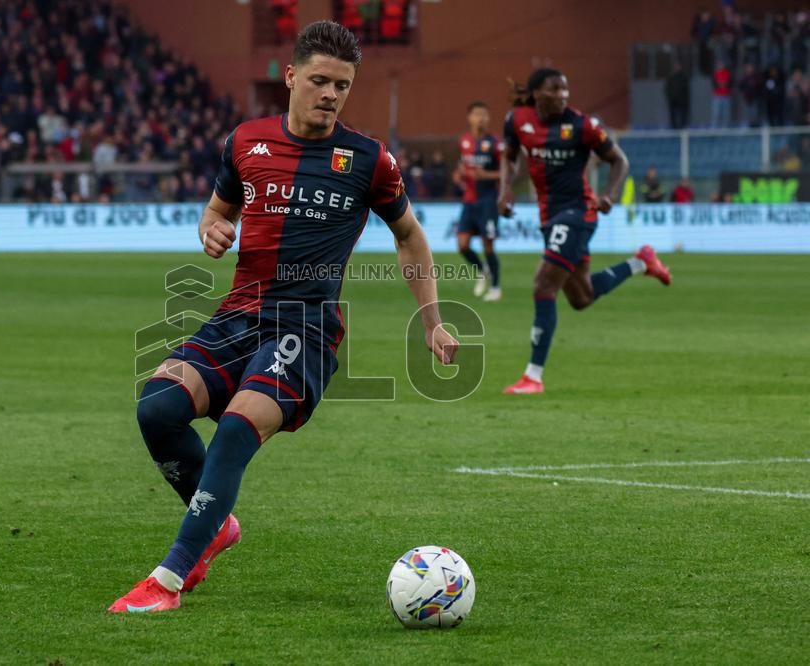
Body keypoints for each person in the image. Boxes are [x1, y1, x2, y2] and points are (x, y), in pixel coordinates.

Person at [109, 20, 458, 614]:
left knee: (238, 428)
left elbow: (409, 236)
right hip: (237, 317)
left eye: (342, 86)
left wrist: (432, 320)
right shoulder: (245, 141)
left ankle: (169, 577)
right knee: (157, 409)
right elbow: (217, 210)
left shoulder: (369, 160)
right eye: (319, 80)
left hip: (307, 329)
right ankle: (215, 525)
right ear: (291, 76)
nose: (330, 94)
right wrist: (210, 229)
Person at [497, 68, 672, 395]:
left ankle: (533, 377)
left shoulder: (583, 125)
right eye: (555, 89)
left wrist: (609, 195)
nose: (563, 95)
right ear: (537, 93)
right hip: (549, 217)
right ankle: (641, 262)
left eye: (565, 89)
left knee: (543, 283)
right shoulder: (516, 120)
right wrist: (505, 190)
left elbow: (619, 160)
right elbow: (508, 157)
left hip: (579, 212)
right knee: (581, 297)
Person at [453, 101, 503, 301]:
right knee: (462, 245)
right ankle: (483, 270)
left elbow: (508, 173)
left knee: (488, 246)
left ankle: (496, 288)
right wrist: (458, 175)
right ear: (469, 118)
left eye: (485, 114)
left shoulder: (496, 143)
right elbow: (462, 166)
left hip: (488, 201)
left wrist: (487, 175)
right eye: (477, 114)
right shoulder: (464, 141)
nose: (481, 118)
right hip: (469, 201)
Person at [664, 62, 690, 129]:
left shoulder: (684, 77)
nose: (677, 68)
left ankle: (683, 126)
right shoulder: (671, 77)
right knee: (673, 114)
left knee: (682, 114)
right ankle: (673, 127)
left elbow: (686, 89)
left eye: (678, 66)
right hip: (673, 100)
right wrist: (669, 96)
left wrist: (686, 99)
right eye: (676, 67)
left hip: (682, 100)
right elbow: (667, 88)